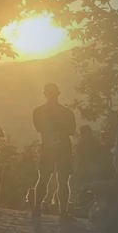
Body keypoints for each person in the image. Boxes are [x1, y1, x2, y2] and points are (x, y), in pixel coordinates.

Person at [33, 83, 77, 216]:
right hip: (58, 149)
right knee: (57, 180)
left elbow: (39, 128)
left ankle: (39, 208)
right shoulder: (66, 112)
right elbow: (71, 130)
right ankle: (59, 210)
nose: (51, 96)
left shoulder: (38, 111)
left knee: (53, 179)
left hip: (53, 148)